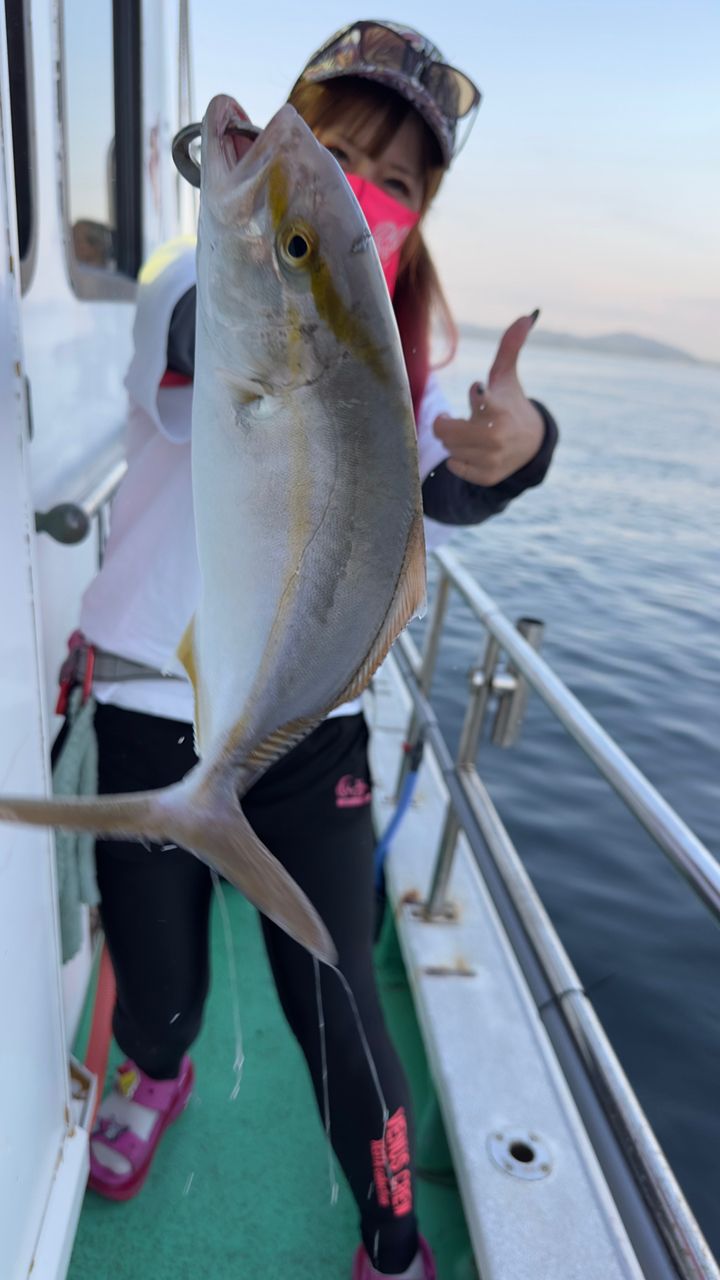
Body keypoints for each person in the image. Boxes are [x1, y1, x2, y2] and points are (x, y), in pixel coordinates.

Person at [74, 21, 558, 1280]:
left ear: (420, 215)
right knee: (159, 985)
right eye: (338, 152)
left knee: (341, 998)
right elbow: (194, 325)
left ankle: (394, 1239)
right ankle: (160, 1064)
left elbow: (456, 468)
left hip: (309, 730)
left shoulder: (406, 369)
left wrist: (527, 438)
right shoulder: (199, 270)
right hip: (144, 704)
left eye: (397, 179)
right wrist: (264, 236)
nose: (360, 188)